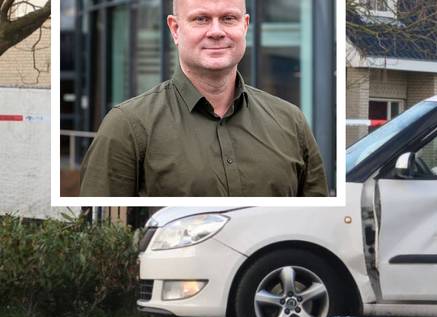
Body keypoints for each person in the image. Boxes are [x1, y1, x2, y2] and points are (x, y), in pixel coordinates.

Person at [79, 0, 326, 197]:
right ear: (175, 29)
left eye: (228, 18)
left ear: (245, 26)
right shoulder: (127, 127)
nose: (216, 32)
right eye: (201, 19)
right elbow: (103, 237)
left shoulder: (291, 122)